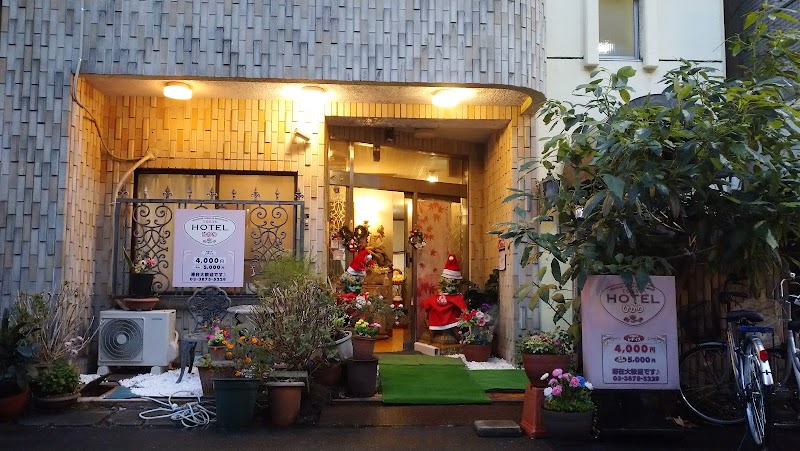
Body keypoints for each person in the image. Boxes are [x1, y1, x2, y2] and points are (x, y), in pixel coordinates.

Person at [421, 254, 468, 332]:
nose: (451, 282)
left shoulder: (456, 296)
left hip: (452, 320)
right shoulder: (443, 291)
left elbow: (462, 307)